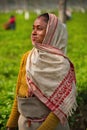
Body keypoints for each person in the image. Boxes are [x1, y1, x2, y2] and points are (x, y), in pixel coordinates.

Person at [6, 13, 77, 130]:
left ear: (51, 32)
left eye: (39, 28)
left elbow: (60, 107)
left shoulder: (62, 65)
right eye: (33, 28)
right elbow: (19, 93)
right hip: (24, 125)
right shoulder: (27, 57)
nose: (34, 32)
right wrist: (12, 123)